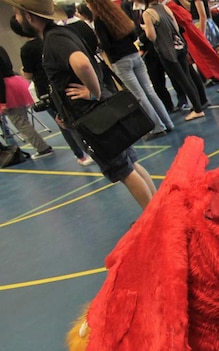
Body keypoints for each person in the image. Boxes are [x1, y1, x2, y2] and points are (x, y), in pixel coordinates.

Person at [7, 0, 157, 208]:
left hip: (93, 118)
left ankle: (154, 218)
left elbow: (82, 63)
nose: (16, 19)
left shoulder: (55, 40)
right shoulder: (58, 36)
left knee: (124, 171)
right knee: (130, 164)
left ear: (29, 17)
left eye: (17, 14)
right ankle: (157, 209)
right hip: (93, 115)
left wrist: (93, 93)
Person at [9, 14, 93, 164]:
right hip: (66, 86)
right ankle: (90, 149)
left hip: (51, 90)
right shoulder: (55, 37)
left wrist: (94, 91)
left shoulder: (40, 44)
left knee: (65, 124)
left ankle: (82, 154)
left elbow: (28, 73)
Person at [88, 0, 175, 139]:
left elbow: (106, 44)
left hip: (121, 61)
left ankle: (157, 127)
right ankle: (167, 122)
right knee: (149, 91)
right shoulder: (118, 13)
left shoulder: (99, 21)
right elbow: (133, 34)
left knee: (139, 95)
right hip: (134, 55)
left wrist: (99, 44)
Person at [141, 0, 206, 121]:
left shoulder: (148, 13)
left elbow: (152, 36)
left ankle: (198, 109)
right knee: (187, 77)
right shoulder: (165, 7)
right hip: (179, 45)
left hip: (167, 50)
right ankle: (198, 104)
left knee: (182, 80)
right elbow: (175, 27)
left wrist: (146, 28)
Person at [170, 0, 219, 91]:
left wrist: (202, 35)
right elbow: (191, 8)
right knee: (212, 56)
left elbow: (203, 16)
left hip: (202, 26)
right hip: (201, 25)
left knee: (213, 56)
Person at [0, 44, 54, 157]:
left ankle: (42, 148)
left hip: (6, 88)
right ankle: (42, 147)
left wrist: (2, 101)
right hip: (14, 82)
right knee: (22, 120)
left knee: (21, 122)